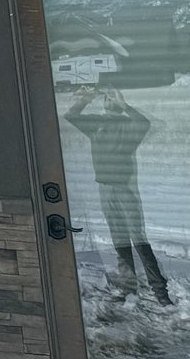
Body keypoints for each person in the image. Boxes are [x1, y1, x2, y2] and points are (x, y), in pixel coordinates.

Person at [65, 85, 172, 303]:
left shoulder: (129, 125)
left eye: (113, 97)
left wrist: (125, 105)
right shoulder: (96, 123)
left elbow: (146, 123)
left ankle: (160, 293)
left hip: (125, 189)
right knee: (119, 238)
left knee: (137, 238)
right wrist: (85, 99)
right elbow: (71, 116)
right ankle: (128, 288)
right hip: (104, 188)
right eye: (106, 97)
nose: (109, 100)